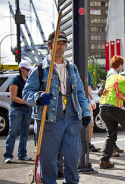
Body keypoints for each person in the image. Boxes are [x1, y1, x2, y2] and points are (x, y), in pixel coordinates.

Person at [23, 31, 91, 183]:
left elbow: (80, 92)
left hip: (72, 119)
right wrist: (38, 97)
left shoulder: (72, 68)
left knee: (73, 158)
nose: (61, 47)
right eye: (58, 43)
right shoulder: (40, 69)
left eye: (63, 43)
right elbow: (26, 93)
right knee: (48, 161)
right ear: (49, 45)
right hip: (49, 120)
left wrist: (86, 112)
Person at [3, 61, 33, 163]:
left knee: (24, 133)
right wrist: (27, 102)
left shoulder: (28, 79)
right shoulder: (15, 80)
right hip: (16, 110)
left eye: (30, 69)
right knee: (13, 133)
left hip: (27, 110)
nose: (29, 71)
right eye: (27, 69)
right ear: (21, 69)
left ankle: (22, 154)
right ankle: (8, 155)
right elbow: (13, 97)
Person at [97, 56, 125, 156]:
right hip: (110, 105)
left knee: (112, 131)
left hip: (107, 105)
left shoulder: (112, 73)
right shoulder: (113, 75)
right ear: (120, 64)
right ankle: (110, 151)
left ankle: (112, 148)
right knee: (112, 132)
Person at [88, 71, 101, 152]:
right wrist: (92, 99)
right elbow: (88, 87)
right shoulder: (85, 71)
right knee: (90, 123)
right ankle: (88, 144)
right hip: (85, 101)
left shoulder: (71, 68)